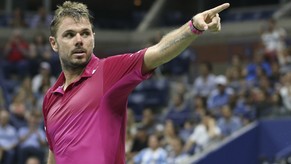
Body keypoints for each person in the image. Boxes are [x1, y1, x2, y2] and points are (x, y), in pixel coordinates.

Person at [42, 1, 230, 163]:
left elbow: (159, 51)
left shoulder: (108, 72)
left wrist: (192, 27)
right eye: (69, 35)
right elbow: (55, 153)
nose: (79, 40)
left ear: (93, 37)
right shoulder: (50, 99)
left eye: (85, 33)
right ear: (54, 43)